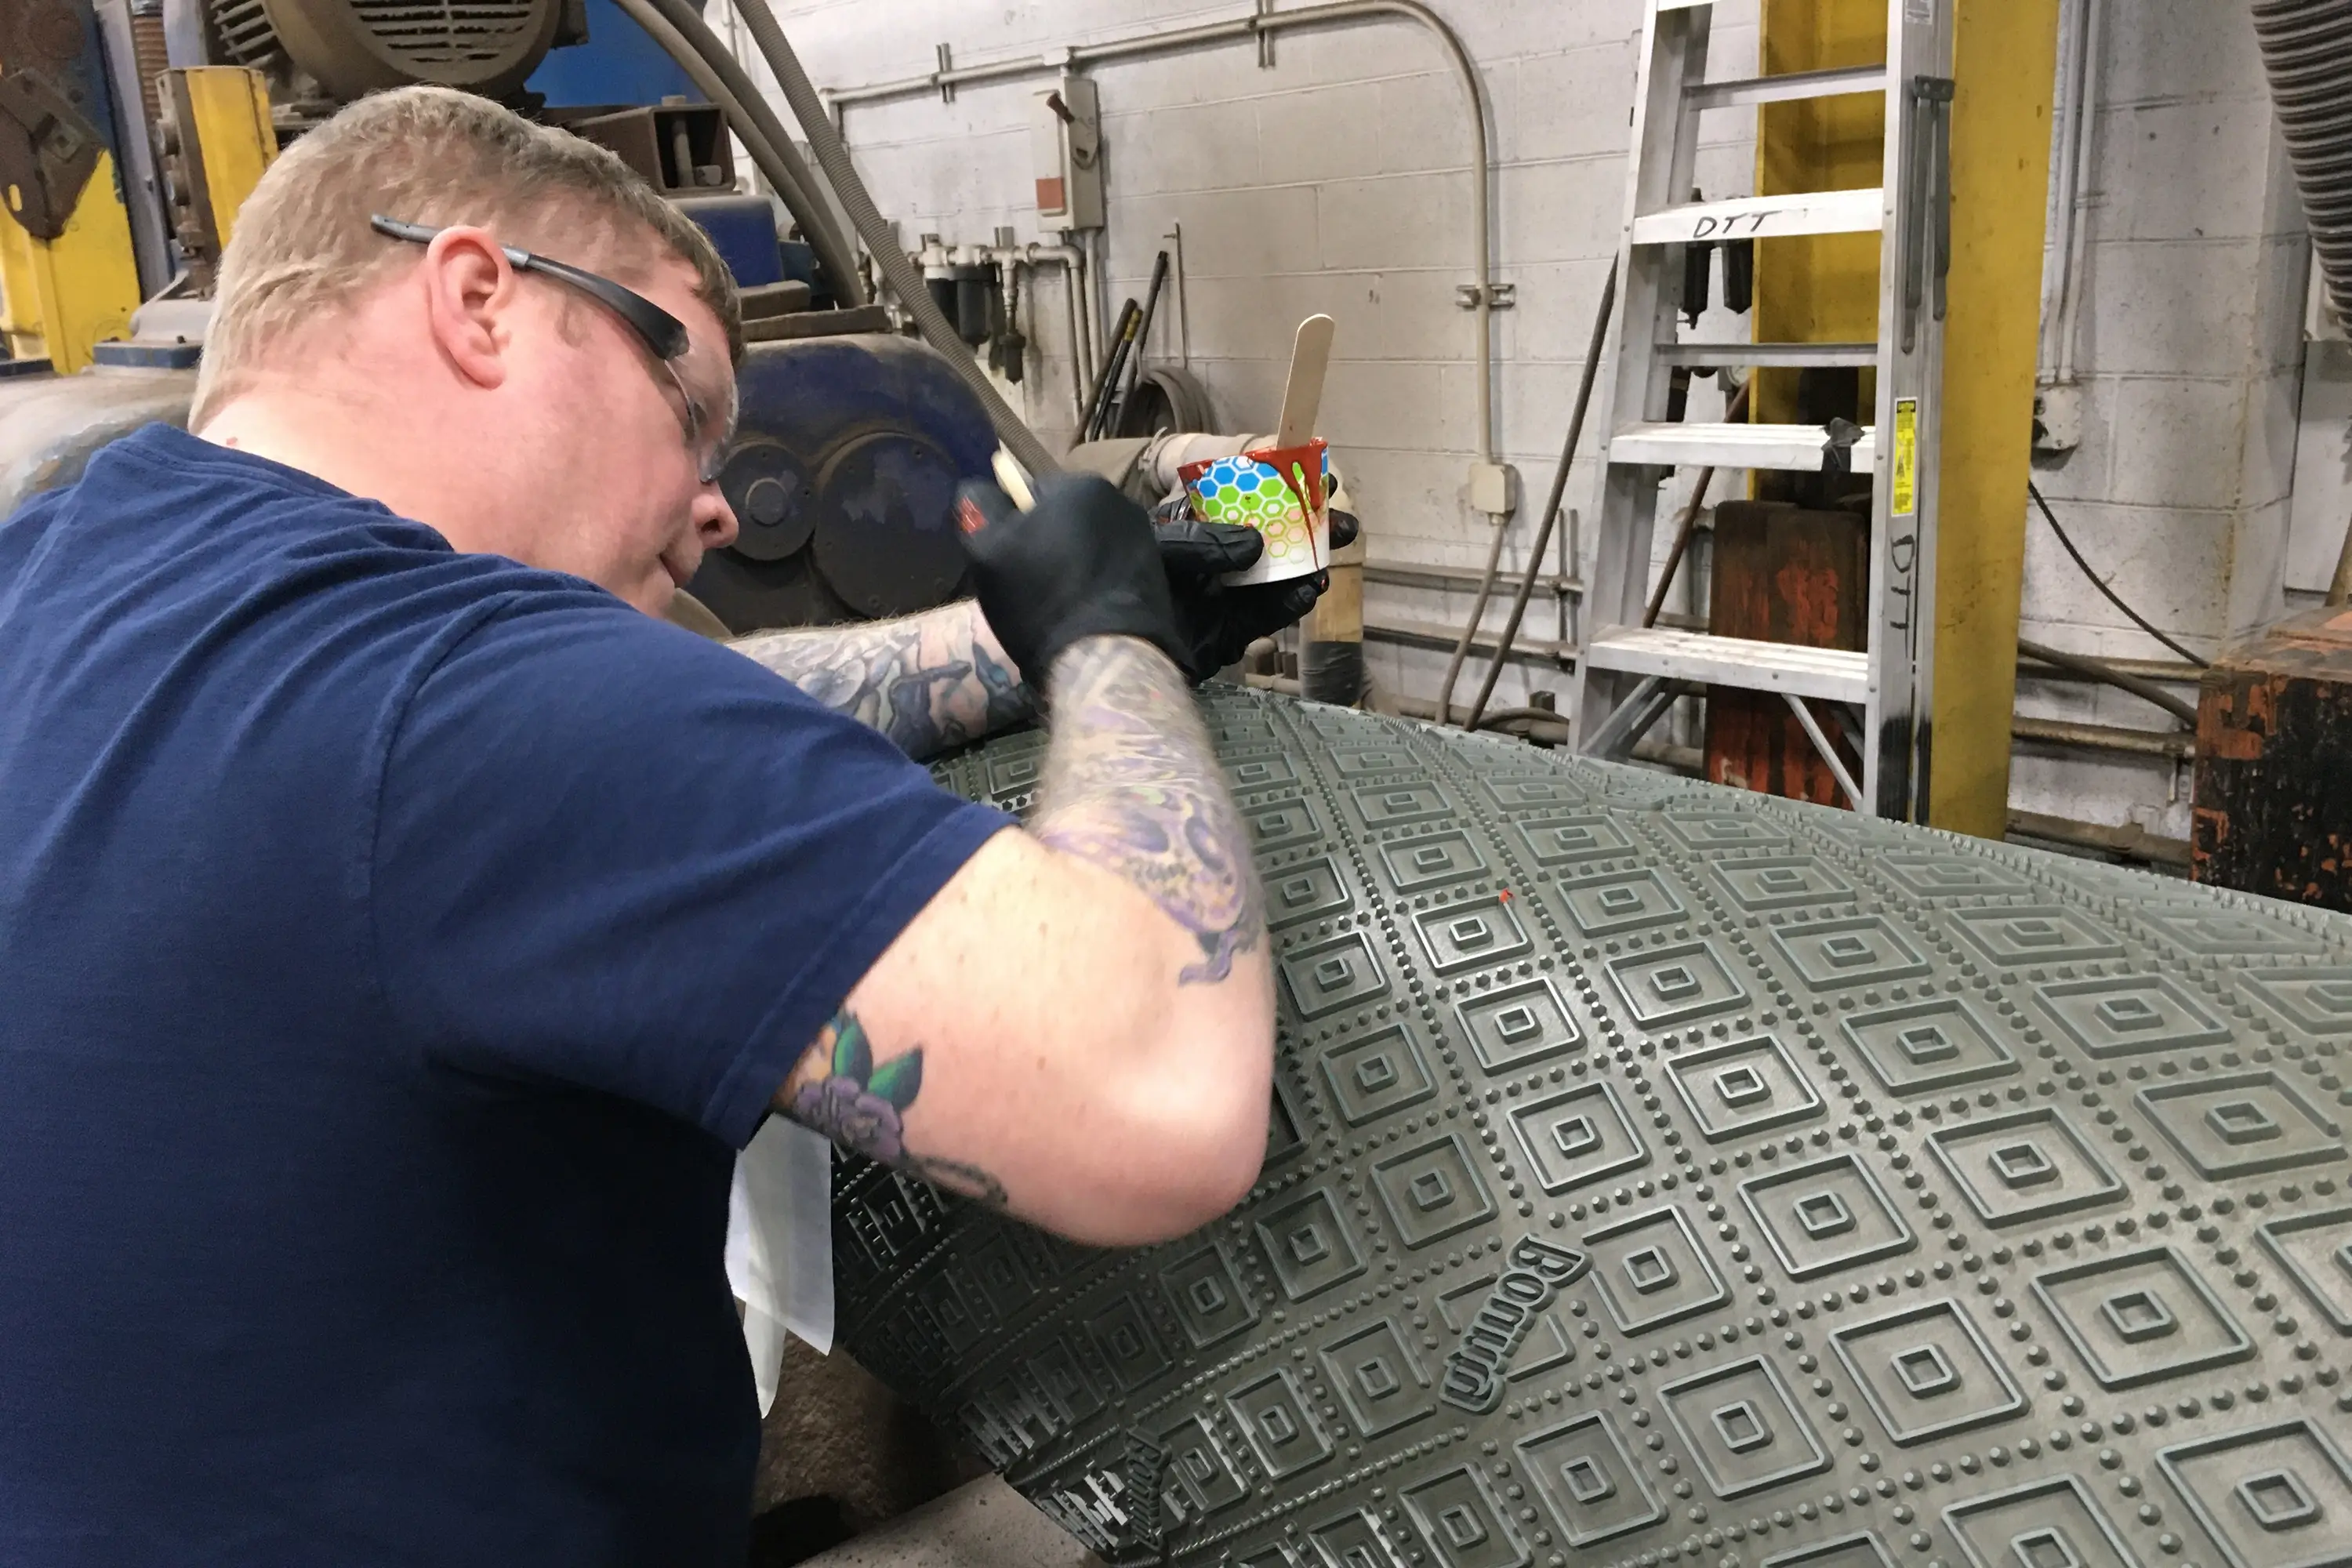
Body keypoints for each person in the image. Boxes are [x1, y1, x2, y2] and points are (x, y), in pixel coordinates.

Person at [0, 85, 1330, 1564]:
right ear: (481, 301)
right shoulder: (470, 704)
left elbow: (667, 716)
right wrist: (1109, 648)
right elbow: (1158, 1091)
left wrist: (1009, 649)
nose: (711, 504)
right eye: (684, 405)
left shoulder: (60, 571)